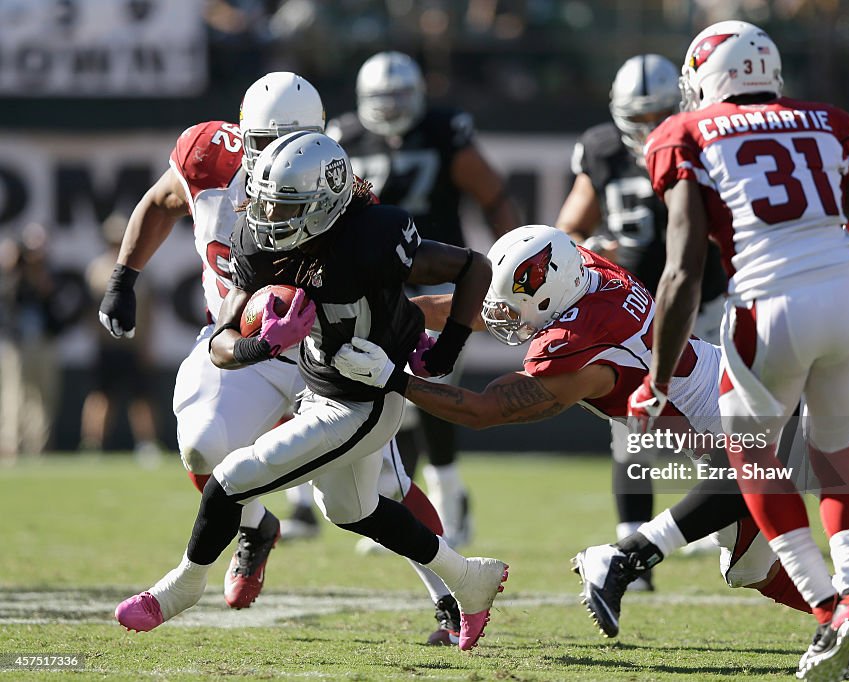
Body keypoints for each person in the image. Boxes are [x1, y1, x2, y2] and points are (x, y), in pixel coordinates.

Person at [331, 225, 849, 681]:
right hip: (719, 399)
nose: (502, 319)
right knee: (751, 567)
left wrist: (396, 378)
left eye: (515, 307)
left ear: (549, 290)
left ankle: (625, 558)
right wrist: (396, 320)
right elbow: (480, 309)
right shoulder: (584, 271)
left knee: (814, 477)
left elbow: (483, 411)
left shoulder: (576, 348)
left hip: (739, 412)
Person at [99, 72, 465, 644]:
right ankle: (253, 526)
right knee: (202, 442)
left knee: (378, 492)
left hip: (325, 353)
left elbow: (383, 282)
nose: (272, 160)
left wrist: (414, 328)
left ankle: (450, 595)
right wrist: (124, 277)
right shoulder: (206, 158)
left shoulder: (343, 192)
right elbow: (161, 200)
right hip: (240, 347)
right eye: (260, 144)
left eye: (284, 144)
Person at [625, 21, 849, 680]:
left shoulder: (685, 133)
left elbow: (681, 273)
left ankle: (826, 613)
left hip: (767, 304)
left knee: (753, 456)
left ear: (705, 77)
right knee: (837, 460)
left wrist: (659, 381)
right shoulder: (827, 122)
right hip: (847, 297)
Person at [307, 50, 521, 548]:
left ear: (420, 96)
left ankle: (444, 494)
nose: (391, 107)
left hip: (439, 277)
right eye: (382, 99)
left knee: (428, 384)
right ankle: (395, 502)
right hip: (376, 283)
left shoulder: (443, 131)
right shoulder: (344, 137)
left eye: (400, 97)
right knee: (384, 390)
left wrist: (510, 263)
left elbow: (492, 196)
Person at [555, 54, 727, 587]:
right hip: (636, 314)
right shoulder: (604, 149)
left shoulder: (702, 139)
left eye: (660, 116)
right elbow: (569, 229)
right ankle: (633, 547)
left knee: (729, 427)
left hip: (708, 301)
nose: (651, 129)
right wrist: (591, 248)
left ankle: (729, 530)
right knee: (633, 434)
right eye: (640, 117)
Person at [81, 212, 162, 461]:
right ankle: (92, 444)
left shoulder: (141, 268)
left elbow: (148, 311)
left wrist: (147, 342)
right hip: (108, 345)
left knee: (142, 397)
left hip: (134, 344)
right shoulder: (97, 269)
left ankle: (147, 444)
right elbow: (91, 310)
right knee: (102, 395)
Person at [0, 223, 63, 460]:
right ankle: (10, 445)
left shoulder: (50, 274)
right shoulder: (13, 274)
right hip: (17, 344)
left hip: (44, 341)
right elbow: (9, 301)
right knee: (14, 394)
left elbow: (57, 310)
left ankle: (39, 445)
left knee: (44, 396)